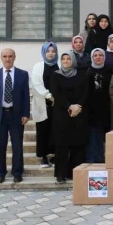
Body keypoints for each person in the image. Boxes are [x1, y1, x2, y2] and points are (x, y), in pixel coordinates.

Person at [0, 49, 30, 184]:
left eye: (10, 56)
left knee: (17, 145)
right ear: (1, 58)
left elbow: (26, 96)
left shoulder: (23, 74)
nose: (7, 59)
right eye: (5, 56)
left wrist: (26, 114)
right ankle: (0, 173)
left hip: (16, 115)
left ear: (15, 57)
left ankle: (17, 172)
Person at [50, 52, 88, 183]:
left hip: (78, 113)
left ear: (73, 60)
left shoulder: (81, 75)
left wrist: (78, 107)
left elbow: (85, 92)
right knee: (61, 145)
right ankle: (60, 174)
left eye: (68, 59)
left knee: (77, 145)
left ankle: (74, 172)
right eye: (63, 59)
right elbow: (57, 94)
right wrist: (69, 106)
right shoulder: (56, 75)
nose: (66, 61)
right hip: (61, 114)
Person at [30, 42, 59, 168]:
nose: (51, 53)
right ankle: (43, 156)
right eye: (48, 51)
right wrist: (48, 95)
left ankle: (54, 155)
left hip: (57, 103)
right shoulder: (38, 66)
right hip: (43, 102)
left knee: (55, 129)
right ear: (44, 52)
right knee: (42, 129)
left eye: (53, 51)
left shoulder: (59, 65)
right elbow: (36, 84)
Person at [86, 49, 111, 164]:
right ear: (92, 57)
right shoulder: (87, 70)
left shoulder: (109, 71)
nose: (98, 57)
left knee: (101, 135)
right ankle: (91, 159)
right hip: (90, 108)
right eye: (95, 55)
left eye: (100, 55)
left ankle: (100, 159)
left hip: (104, 107)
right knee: (91, 135)